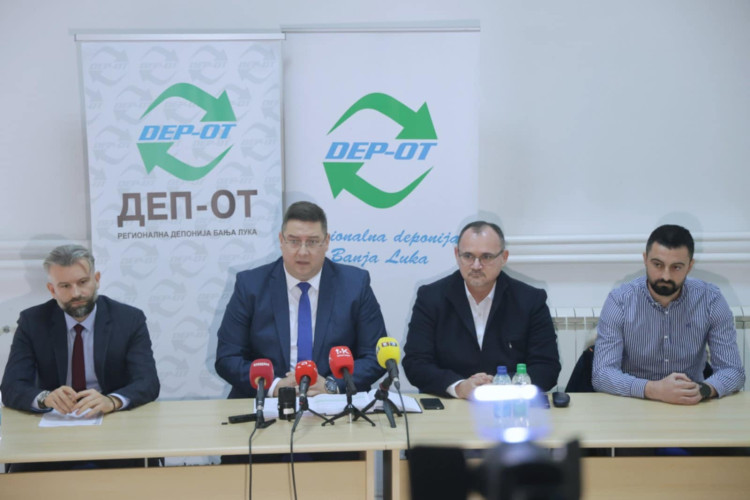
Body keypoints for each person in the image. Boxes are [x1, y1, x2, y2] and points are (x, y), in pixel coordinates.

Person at [1, 244, 160, 471]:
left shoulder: (129, 319)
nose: (76, 293)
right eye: (65, 286)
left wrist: (112, 401)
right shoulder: (32, 322)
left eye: (83, 282)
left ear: (97, 279)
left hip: (113, 427)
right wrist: (45, 398)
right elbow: (11, 386)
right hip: (51, 434)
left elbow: (148, 382)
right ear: (52, 289)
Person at [215, 201, 386, 398]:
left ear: (326, 242)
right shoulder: (250, 285)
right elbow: (227, 357)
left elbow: (375, 356)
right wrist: (274, 386)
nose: (303, 252)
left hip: (334, 402)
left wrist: (332, 385)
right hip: (267, 401)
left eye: (312, 242)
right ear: (281, 240)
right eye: (294, 241)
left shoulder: (355, 284)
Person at [402, 221, 561, 398]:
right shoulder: (431, 297)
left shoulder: (530, 300)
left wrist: (500, 385)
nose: (476, 266)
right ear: (456, 255)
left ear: (504, 257)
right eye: (468, 256)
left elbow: (547, 367)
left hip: (510, 403)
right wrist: (459, 387)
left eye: (486, 257)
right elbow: (415, 363)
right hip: (450, 403)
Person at [592, 224, 745, 404]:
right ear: (645, 259)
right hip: (634, 402)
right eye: (657, 264)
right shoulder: (620, 301)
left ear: (690, 266)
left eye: (676, 267)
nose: (665, 276)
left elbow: (733, 371)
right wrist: (652, 389)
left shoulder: (711, 299)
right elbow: (602, 374)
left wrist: (703, 390)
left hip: (690, 402)